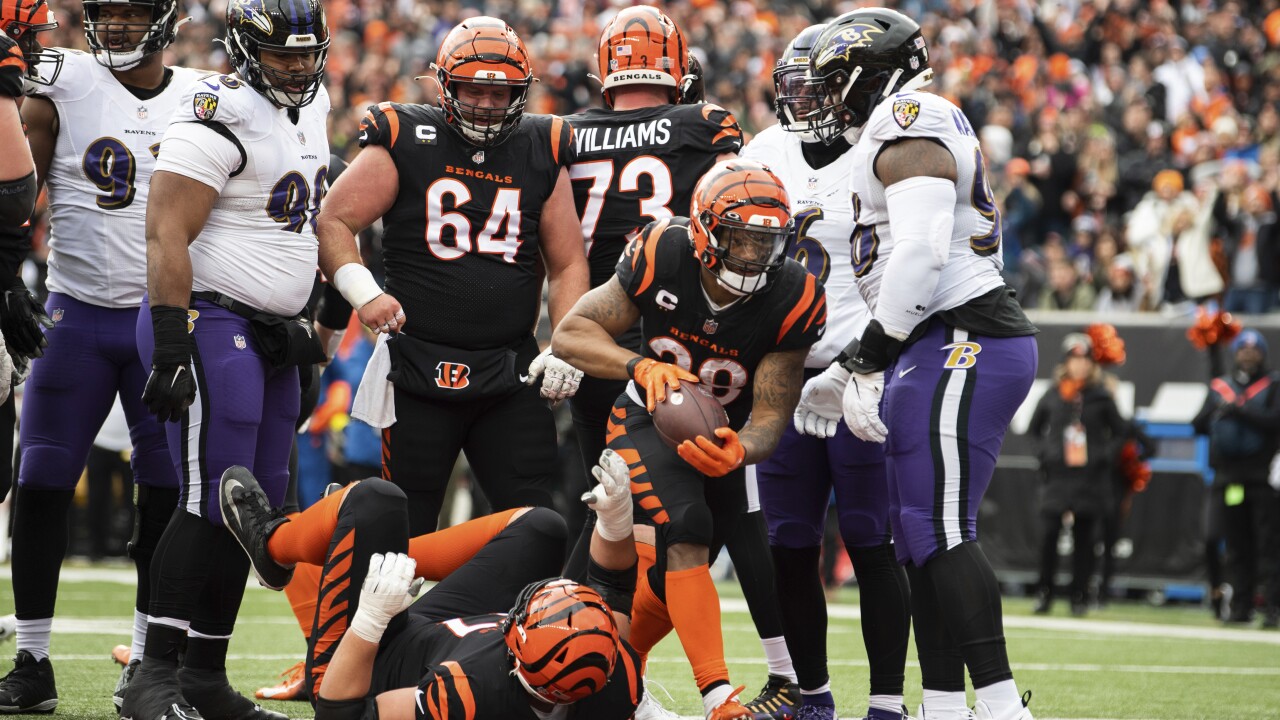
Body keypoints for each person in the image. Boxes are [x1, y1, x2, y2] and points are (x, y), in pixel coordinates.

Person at [799, 9, 1039, 720]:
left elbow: (922, 253)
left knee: (938, 527)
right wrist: (866, 360)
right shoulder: (896, 126)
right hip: (930, 340)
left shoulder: (907, 117)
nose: (827, 99)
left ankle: (1002, 708)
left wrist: (861, 360)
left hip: (965, 333)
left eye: (835, 82)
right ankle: (942, 705)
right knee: (914, 534)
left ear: (873, 75)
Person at [563, 9, 799, 717]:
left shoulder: (565, 133)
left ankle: (604, 669)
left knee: (631, 528)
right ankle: (588, 669)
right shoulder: (703, 132)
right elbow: (741, 193)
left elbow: (555, 241)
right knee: (682, 528)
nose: (754, 251)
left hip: (618, 342)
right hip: (649, 342)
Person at [553, 158, 827, 720]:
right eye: (740, 238)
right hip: (645, 417)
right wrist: (639, 366)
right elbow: (570, 333)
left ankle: (619, 675)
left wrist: (742, 449)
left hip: (723, 436)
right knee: (688, 528)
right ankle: (718, 698)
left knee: (672, 577)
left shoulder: (794, 293)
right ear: (704, 231)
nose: (753, 254)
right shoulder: (663, 251)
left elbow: (772, 411)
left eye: (766, 241)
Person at [121, 0, 332, 716]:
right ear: (246, 51)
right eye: (282, 55)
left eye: (306, 54)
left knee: (255, 514)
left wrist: (311, 318)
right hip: (210, 321)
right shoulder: (220, 109)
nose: (297, 68)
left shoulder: (313, 105)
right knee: (209, 497)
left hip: (271, 333)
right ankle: (152, 676)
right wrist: (171, 339)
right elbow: (165, 231)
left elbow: (298, 223)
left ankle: (205, 678)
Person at [314, 16, 588, 537]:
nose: (486, 103)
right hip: (418, 365)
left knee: (535, 524)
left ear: (520, 93)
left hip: (508, 369)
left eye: (499, 92)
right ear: (445, 85)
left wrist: (564, 344)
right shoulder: (406, 135)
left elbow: (568, 262)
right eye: (473, 89)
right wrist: (364, 293)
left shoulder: (541, 144)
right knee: (406, 528)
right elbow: (333, 219)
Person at [0, 0, 197, 711]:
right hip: (73, 313)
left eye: (131, 14)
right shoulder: (63, 79)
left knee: (166, 493)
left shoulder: (205, 96)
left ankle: (146, 661)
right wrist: (7, 278)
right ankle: (32, 660)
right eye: (105, 13)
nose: (114, 27)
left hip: (159, 322)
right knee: (40, 481)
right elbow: (11, 186)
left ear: (165, 18)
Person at [741, 23, 911, 720]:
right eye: (796, 86)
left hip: (863, 371)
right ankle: (810, 696)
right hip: (784, 370)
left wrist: (863, 361)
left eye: (819, 86)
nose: (804, 99)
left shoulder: (885, 150)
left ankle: (887, 703)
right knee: (787, 545)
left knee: (872, 541)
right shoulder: (765, 150)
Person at [217, 447, 644, 718]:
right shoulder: (609, 679)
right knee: (543, 529)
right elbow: (614, 588)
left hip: (362, 664)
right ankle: (353, 540)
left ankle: (274, 546)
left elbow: (340, 713)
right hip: (441, 636)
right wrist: (615, 523)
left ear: (516, 655)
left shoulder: (468, 692)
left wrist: (369, 621)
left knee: (375, 499)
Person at [1027, 334, 1138, 617]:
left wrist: (1105, 455)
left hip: (1089, 478)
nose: (1080, 365)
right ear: (1066, 363)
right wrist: (1045, 454)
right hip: (1057, 477)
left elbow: (1121, 431)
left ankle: (1079, 595)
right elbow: (1033, 430)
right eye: (1074, 359)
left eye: (1085, 360)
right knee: (1049, 534)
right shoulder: (1053, 394)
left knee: (1085, 540)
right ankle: (1044, 592)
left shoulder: (1101, 396)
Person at [1192, 329, 1280, 627]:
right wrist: (1218, 411)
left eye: (1255, 349)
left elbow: (1275, 421)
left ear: (1263, 354)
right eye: (1243, 348)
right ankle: (1241, 606)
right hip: (1230, 479)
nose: (1249, 354)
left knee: (1268, 544)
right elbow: (1197, 424)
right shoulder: (1222, 387)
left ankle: (1273, 607)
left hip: (1262, 478)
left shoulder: (1273, 385)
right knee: (1237, 544)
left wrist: (1241, 410)